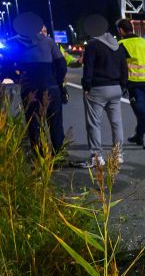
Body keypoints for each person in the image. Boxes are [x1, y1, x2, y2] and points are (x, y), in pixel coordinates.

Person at [1, 12, 66, 155]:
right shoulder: (49, 41)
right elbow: (62, 65)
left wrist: (17, 77)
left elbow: (5, 66)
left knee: (33, 123)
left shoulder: (12, 43)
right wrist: (57, 81)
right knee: (55, 123)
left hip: (29, 88)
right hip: (51, 86)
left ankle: (39, 157)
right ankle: (58, 155)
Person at [80, 14, 127, 168]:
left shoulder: (93, 45)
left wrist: (87, 86)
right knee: (116, 123)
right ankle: (118, 155)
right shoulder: (117, 45)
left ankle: (96, 157)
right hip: (116, 88)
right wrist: (123, 85)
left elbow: (88, 68)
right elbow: (124, 68)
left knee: (94, 123)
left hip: (98, 89)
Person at [116, 18, 145, 149]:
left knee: (140, 109)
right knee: (142, 109)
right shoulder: (143, 42)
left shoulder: (122, 44)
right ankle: (139, 135)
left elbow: (120, 66)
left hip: (134, 81)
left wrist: (122, 83)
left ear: (121, 30)